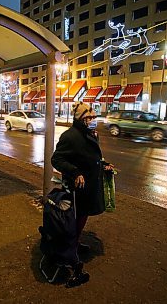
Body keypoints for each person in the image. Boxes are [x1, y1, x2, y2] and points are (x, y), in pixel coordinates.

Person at [51, 101, 114, 257]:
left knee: (82, 217)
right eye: (90, 117)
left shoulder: (90, 134)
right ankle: (69, 250)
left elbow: (90, 157)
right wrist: (75, 172)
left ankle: (74, 244)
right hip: (77, 188)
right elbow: (57, 160)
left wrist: (103, 165)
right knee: (74, 220)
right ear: (81, 119)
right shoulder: (70, 136)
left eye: (94, 117)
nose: (93, 120)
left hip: (89, 185)